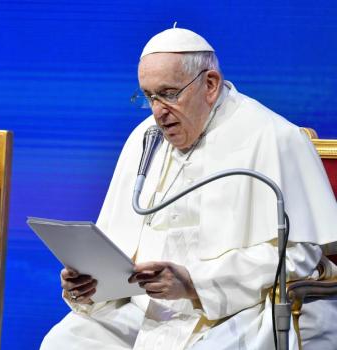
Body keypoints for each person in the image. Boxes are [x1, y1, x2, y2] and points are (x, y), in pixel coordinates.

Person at [40, 26, 337, 349]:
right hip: (144, 310)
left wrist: (195, 283)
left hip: (235, 311)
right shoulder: (145, 138)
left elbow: (300, 255)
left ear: (210, 84)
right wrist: (89, 281)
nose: (157, 112)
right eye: (148, 97)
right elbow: (117, 244)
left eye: (168, 94)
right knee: (65, 340)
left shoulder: (273, 136)